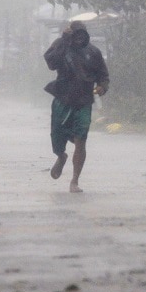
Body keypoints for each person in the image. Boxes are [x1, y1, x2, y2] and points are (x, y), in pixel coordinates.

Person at [44, 20, 109, 193]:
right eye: (76, 34)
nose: (79, 38)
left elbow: (103, 75)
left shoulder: (93, 52)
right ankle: (61, 156)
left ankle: (75, 180)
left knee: (81, 141)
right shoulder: (61, 46)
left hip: (84, 102)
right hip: (62, 100)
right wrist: (64, 41)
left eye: (82, 35)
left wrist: (102, 86)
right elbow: (51, 63)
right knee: (57, 137)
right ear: (70, 34)